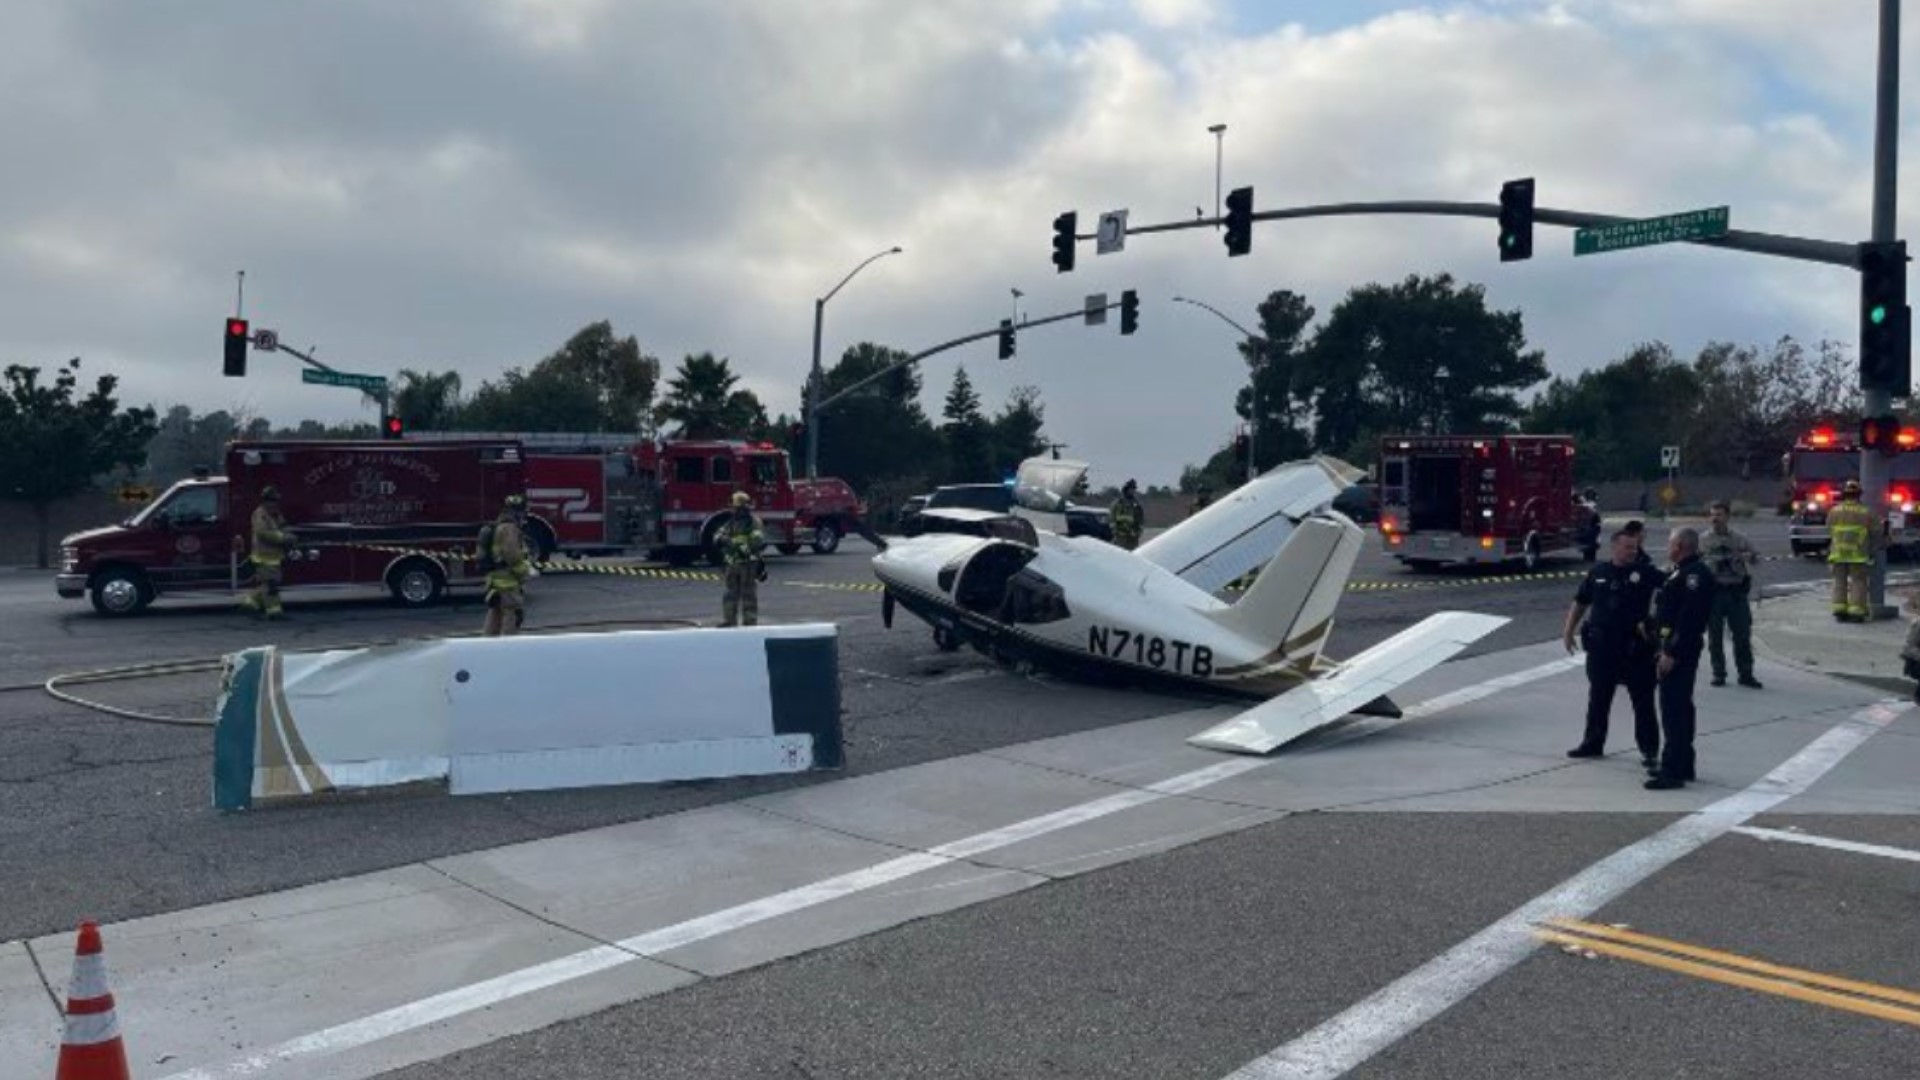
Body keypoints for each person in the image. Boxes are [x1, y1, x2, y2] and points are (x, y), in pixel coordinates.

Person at [1562, 530, 1664, 768]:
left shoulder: (1646, 573)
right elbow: (1580, 602)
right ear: (1614, 548)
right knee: (1598, 697)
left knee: (1643, 701)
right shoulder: (1598, 572)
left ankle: (1649, 750)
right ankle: (1592, 743)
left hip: (1635, 650)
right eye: (1628, 547)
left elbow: (1672, 592)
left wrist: (1657, 625)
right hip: (1602, 649)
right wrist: (1568, 632)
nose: (1633, 551)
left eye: (1635, 547)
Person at [1647, 527, 1715, 790]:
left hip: (1679, 651)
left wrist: (1670, 653)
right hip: (1673, 646)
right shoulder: (1681, 571)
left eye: (1671, 543)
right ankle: (1683, 764)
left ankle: (1672, 771)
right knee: (1680, 708)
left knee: (1674, 710)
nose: (1668, 547)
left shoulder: (1693, 576)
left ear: (1681, 546)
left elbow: (1689, 621)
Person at [1701, 499, 1762, 689]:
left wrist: (1749, 557)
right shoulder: (1703, 540)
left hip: (1736, 593)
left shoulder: (1740, 539)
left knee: (1742, 636)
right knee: (1715, 637)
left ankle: (1746, 673)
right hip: (1714, 594)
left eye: (1719, 515)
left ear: (1727, 516)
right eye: (1712, 515)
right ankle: (1718, 673)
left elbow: (1756, 558)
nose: (1714, 519)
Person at [481, 495, 536, 637]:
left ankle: (486, 648)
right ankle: (509, 650)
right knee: (512, 616)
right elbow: (511, 555)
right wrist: (525, 572)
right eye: (524, 511)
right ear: (519, 511)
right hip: (508, 583)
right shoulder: (509, 528)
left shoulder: (498, 525)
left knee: (495, 614)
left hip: (494, 581)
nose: (525, 515)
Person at [238, 485, 292, 620]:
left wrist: (289, 533)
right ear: (266, 500)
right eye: (273, 500)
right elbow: (263, 533)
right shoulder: (259, 514)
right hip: (263, 556)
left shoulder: (274, 512)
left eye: (276, 501)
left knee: (268, 584)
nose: (275, 503)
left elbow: (282, 525)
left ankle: (250, 603)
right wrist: (283, 538)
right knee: (271, 585)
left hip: (274, 556)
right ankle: (274, 612)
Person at [1827, 479, 1876, 622]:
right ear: (1859, 495)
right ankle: (1856, 611)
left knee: (1839, 581)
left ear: (1844, 495)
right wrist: (1876, 547)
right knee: (1858, 581)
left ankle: (1839, 609)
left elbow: (1829, 529)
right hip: (1858, 554)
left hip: (1838, 553)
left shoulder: (1834, 511)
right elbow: (1876, 532)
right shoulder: (1867, 512)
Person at [719, 491, 765, 627]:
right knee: (729, 594)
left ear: (742, 508)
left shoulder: (754, 522)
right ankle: (729, 620)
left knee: (748, 594)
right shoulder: (731, 522)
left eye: (735, 507)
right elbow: (719, 536)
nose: (732, 510)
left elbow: (757, 541)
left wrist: (736, 543)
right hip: (732, 564)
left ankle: (750, 622)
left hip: (748, 564)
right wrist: (726, 540)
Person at [1111, 479, 1145, 550]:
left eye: (1133, 489)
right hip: (1121, 534)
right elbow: (1113, 518)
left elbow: (1141, 517)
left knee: (1132, 554)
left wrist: (1139, 531)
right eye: (1131, 489)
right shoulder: (1119, 503)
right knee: (1121, 553)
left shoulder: (1136, 503)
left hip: (1133, 535)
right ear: (1127, 489)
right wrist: (1115, 531)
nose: (1133, 491)